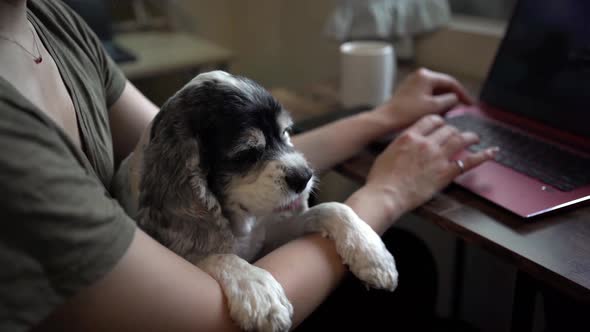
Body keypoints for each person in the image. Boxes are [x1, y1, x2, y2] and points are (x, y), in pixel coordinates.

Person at [0, 1, 497, 331]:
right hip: (185, 313)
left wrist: (381, 118)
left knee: (408, 256)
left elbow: (212, 153)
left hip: (207, 277)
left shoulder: (53, 22)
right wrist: (383, 197)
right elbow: (202, 319)